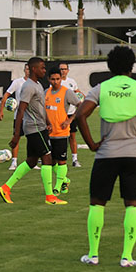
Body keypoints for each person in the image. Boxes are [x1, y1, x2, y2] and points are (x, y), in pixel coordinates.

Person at [75, 46, 136, 267]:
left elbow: (81, 115)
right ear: (132, 66)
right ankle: (127, 256)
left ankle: (93, 254)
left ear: (109, 66)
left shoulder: (100, 89)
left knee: (97, 203)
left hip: (106, 154)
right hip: (133, 155)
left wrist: (91, 144)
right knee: (132, 204)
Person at [0, 57, 67, 205]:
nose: (44, 70)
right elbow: (21, 110)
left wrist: (47, 122)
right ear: (33, 69)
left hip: (40, 126)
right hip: (34, 128)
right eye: (42, 67)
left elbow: (40, 107)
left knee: (32, 160)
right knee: (47, 157)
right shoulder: (28, 86)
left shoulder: (38, 84)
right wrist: (16, 135)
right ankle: (50, 197)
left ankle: (6, 188)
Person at [45, 66, 81, 195]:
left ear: (61, 79)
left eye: (58, 79)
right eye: (53, 79)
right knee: (51, 162)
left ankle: (57, 186)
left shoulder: (67, 92)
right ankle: (65, 180)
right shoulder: (46, 93)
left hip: (61, 132)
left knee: (61, 161)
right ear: (49, 79)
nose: (56, 82)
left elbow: (80, 105)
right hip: (49, 133)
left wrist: (69, 121)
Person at [0, 63, 29, 170]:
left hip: (31, 117)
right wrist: (1, 110)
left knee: (32, 139)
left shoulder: (36, 83)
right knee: (16, 137)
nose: (28, 71)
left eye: (30, 69)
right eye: (27, 69)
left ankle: (31, 161)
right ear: (24, 70)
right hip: (19, 116)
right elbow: (6, 95)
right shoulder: (18, 82)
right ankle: (14, 162)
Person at [58, 62, 84, 167]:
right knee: (59, 137)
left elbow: (78, 92)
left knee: (72, 136)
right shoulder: (56, 82)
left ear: (68, 70)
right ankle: (57, 157)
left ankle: (75, 159)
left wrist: (84, 97)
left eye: (65, 69)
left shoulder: (71, 82)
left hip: (71, 114)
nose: (63, 71)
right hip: (60, 114)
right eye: (61, 69)